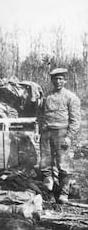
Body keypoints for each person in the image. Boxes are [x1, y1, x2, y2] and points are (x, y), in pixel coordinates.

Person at [38, 68, 81, 204]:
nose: (58, 81)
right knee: (45, 164)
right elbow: (41, 115)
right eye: (55, 79)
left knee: (63, 165)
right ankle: (48, 193)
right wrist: (40, 130)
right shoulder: (47, 97)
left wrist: (69, 137)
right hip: (46, 133)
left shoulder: (71, 97)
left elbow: (75, 121)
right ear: (51, 80)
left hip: (62, 133)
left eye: (61, 79)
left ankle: (63, 193)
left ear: (65, 80)